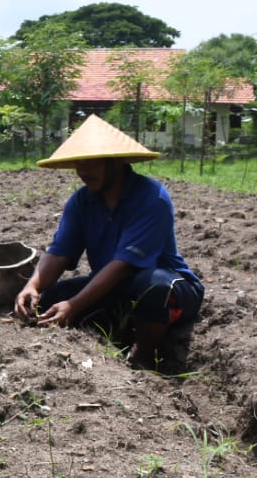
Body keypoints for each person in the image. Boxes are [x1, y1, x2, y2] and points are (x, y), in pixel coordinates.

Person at [13, 114, 204, 368]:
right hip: (116, 286)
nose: (82, 172)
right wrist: (33, 286)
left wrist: (75, 305)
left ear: (116, 163)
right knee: (50, 299)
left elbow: (124, 264)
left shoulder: (151, 198)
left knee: (153, 288)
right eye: (78, 164)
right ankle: (115, 333)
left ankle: (145, 357)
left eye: (91, 163)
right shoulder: (82, 201)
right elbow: (59, 253)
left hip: (166, 285)